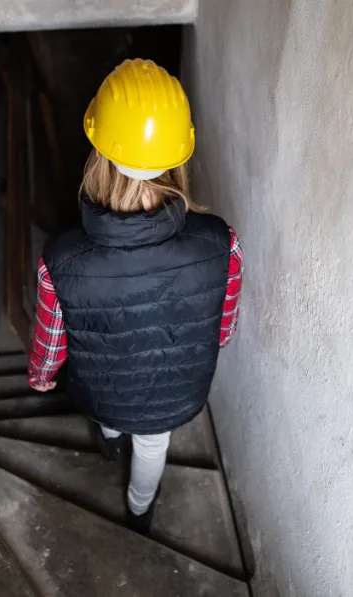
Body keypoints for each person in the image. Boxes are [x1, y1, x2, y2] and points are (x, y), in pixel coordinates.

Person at [27, 58, 243, 535]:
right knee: (153, 448)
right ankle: (139, 512)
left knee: (110, 417)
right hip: (174, 391)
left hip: (102, 390)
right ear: (179, 157)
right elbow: (222, 328)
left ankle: (108, 444)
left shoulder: (60, 261)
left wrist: (42, 378)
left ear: (97, 153)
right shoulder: (220, 243)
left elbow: (51, 340)